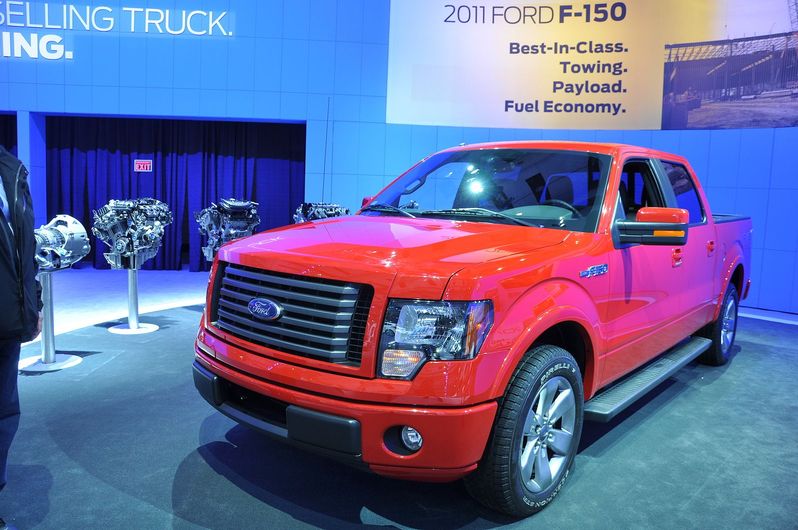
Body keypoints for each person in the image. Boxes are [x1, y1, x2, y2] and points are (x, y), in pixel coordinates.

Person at [0, 145, 42, 530]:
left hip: (8, 319)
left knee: (4, 412)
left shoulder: (12, 171)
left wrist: (34, 304)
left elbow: (23, 248)